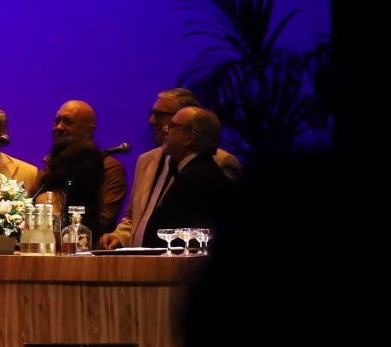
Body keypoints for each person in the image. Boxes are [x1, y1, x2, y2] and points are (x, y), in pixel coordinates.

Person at [105, 88, 239, 248]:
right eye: (152, 113)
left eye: (161, 115)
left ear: (190, 131)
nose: (152, 121)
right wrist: (119, 237)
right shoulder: (146, 160)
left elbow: (223, 222)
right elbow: (134, 217)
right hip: (140, 265)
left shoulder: (219, 162)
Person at [35, 101, 128, 237]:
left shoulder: (109, 167)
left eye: (67, 122)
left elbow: (104, 219)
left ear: (89, 130)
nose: (59, 127)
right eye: (57, 121)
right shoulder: (49, 165)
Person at [139, 106, 229, 245]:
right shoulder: (194, 172)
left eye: (172, 126)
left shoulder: (197, 179)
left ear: (189, 137)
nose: (165, 129)